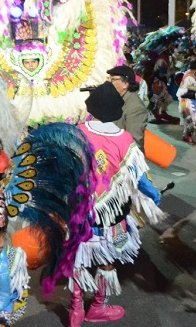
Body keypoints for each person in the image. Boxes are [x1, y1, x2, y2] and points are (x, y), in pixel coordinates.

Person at [69, 82, 163, 327]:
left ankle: (76, 310)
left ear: (92, 108)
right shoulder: (125, 139)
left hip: (80, 210)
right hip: (113, 214)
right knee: (107, 259)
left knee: (78, 258)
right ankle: (97, 307)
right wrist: (154, 195)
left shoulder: (77, 131)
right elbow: (140, 179)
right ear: (117, 111)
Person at [107, 65, 149, 152]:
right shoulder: (117, 98)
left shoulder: (136, 108)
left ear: (125, 84)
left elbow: (134, 143)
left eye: (113, 80)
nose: (109, 83)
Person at [176, 60, 196, 145]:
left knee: (189, 120)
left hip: (186, 99)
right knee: (191, 119)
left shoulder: (188, 73)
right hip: (187, 101)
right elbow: (193, 87)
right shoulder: (189, 77)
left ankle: (186, 135)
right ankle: (187, 136)